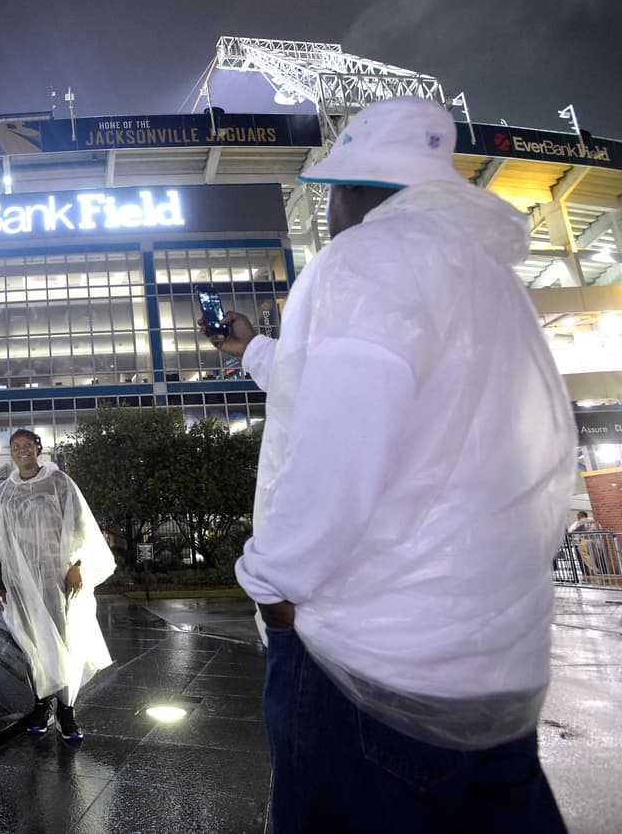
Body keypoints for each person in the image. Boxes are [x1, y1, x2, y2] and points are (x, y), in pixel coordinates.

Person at [207, 97, 575, 831]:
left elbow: (341, 443)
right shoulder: (488, 279)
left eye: (336, 191)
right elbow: (367, 388)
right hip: (495, 668)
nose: (332, 212)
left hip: (372, 666)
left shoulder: (368, 260)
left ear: (358, 189)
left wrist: (272, 581)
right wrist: (249, 348)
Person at [0, 429, 115, 742]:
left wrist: (75, 565)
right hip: (21, 580)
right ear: (12, 453)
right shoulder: (6, 491)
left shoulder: (59, 482)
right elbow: (0, 541)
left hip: (56, 579)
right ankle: (41, 706)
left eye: (27, 445)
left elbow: (78, 524)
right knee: (33, 643)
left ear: (38, 448)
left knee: (64, 640)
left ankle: (67, 712)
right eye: (16, 447)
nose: (22, 450)